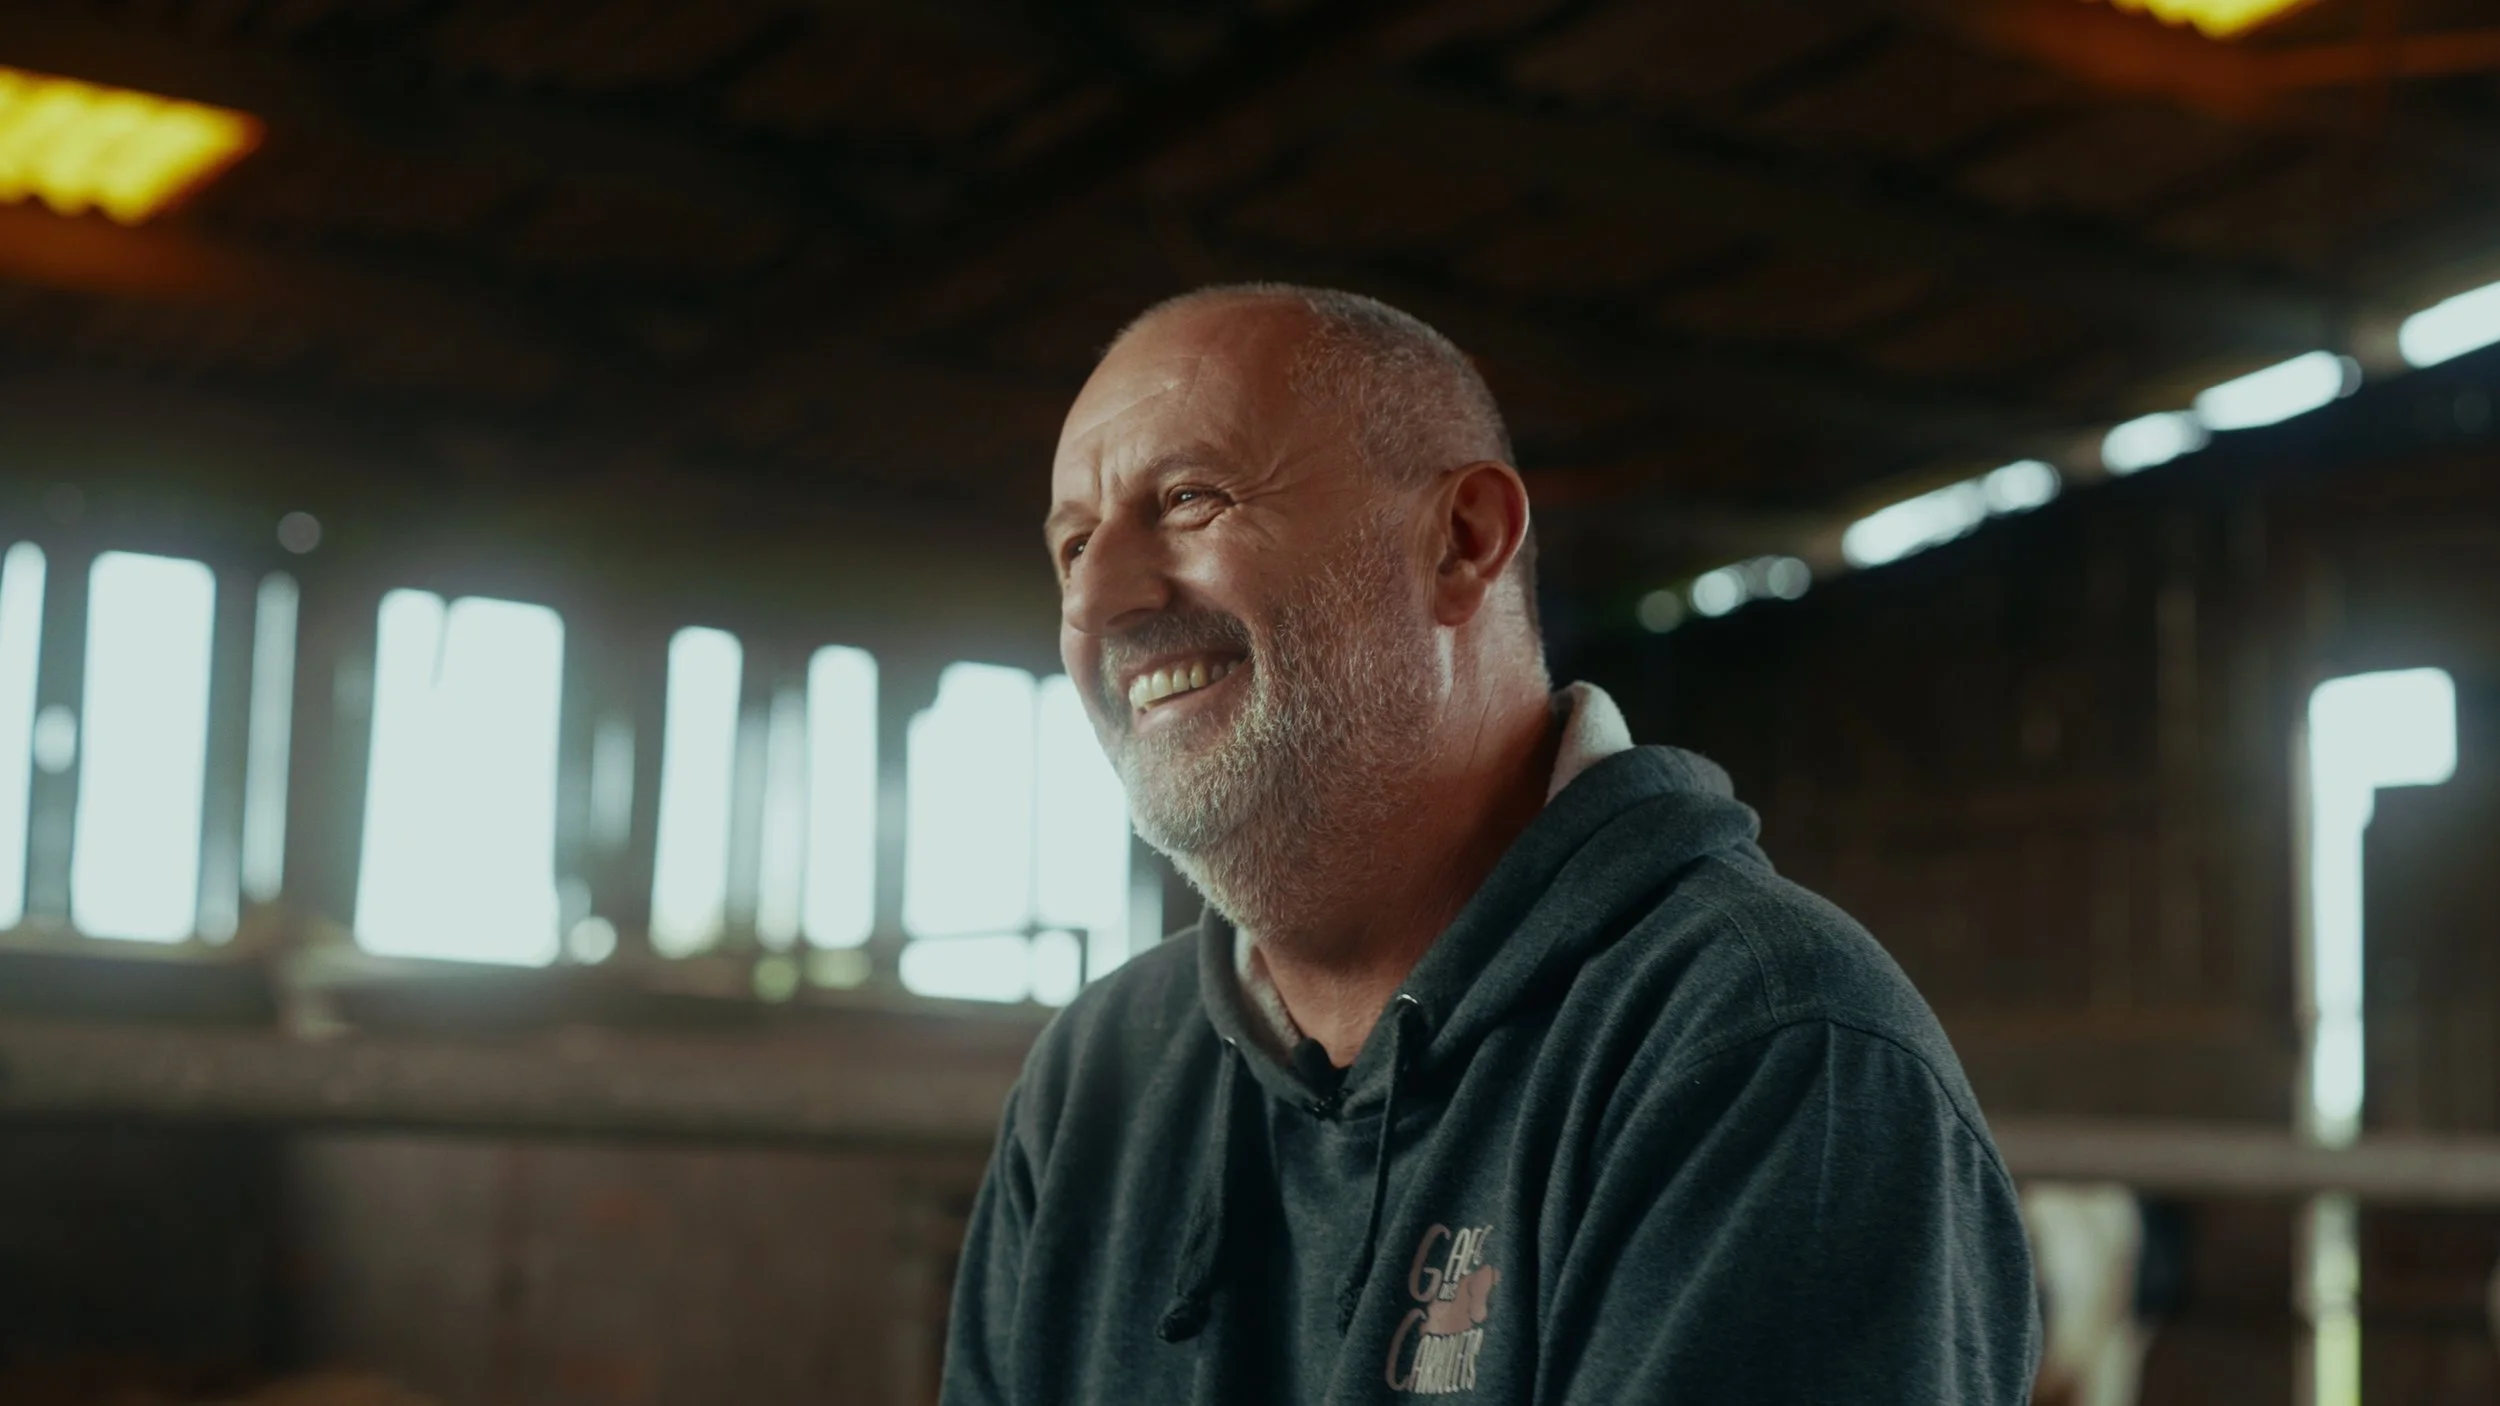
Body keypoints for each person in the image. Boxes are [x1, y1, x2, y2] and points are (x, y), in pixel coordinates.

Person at [943, 284, 2039, 1404]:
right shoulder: (1095, 1077)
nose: (1098, 602)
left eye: (1189, 499)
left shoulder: (1759, 1044)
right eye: (1073, 546)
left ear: (1461, 542)